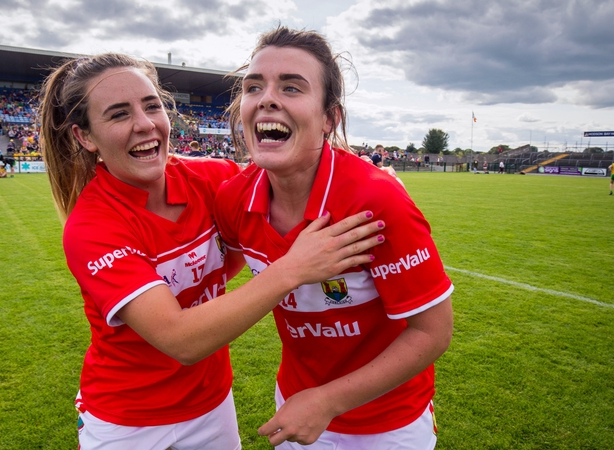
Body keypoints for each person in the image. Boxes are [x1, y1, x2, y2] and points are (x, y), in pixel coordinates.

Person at [39, 53, 386, 450]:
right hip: (128, 420)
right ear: (85, 137)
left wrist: (373, 182)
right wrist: (292, 269)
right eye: (119, 115)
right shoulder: (92, 226)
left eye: (152, 105)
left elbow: (288, 182)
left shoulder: (210, 178)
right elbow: (180, 340)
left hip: (211, 404)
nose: (144, 124)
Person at [216, 26, 454, 449]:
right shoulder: (234, 198)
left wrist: (327, 400)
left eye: (291, 87)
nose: (267, 98)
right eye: (255, 86)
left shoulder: (375, 200)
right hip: (296, 404)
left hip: (388, 423)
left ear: (329, 118)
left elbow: (432, 331)